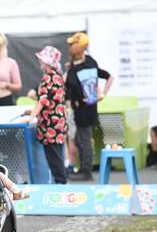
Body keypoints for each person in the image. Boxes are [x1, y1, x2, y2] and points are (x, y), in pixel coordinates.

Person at [64, 32, 113, 181]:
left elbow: (70, 86)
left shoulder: (78, 69)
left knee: (84, 140)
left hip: (83, 109)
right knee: (81, 139)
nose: (71, 46)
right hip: (87, 107)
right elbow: (106, 76)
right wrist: (101, 95)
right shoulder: (88, 63)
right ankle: (84, 168)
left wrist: (100, 94)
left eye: (73, 44)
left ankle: (86, 172)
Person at [23, 46, 68, 184]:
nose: (40, 61)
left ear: (49, 62)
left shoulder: (49, 77)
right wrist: (33, 111)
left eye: (42, 59)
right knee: (57, 158)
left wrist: (31, 117)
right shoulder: (57, 76)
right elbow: (50, 100)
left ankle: (62, 187)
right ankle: (62, 185)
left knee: (54, 160)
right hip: (57, 123)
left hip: (51, 126)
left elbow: (43, 101)